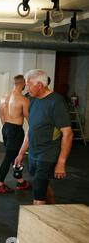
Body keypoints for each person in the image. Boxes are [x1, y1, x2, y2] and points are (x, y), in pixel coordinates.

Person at [14, 69, 73, 205]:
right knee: (42, 186)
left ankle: (36, 225)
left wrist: (61, 162)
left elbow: (68, 134)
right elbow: (31, 128)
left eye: (29, 85)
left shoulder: (56, 102)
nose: (26, 88)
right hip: (34, 153)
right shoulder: (33, 100)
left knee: (38, 197)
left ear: (40, 85)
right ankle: (52, 212)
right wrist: (22, 152)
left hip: (48, 154)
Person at [0, 75, 31, 194]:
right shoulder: (23, 99)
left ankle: (20, 181)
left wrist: (7, 129)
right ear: (24, 84)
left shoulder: (3, 97)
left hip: (5, 128)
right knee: (9, 157)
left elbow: (1, 116)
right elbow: (29, 120)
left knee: (12, 155)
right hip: (15, 130)